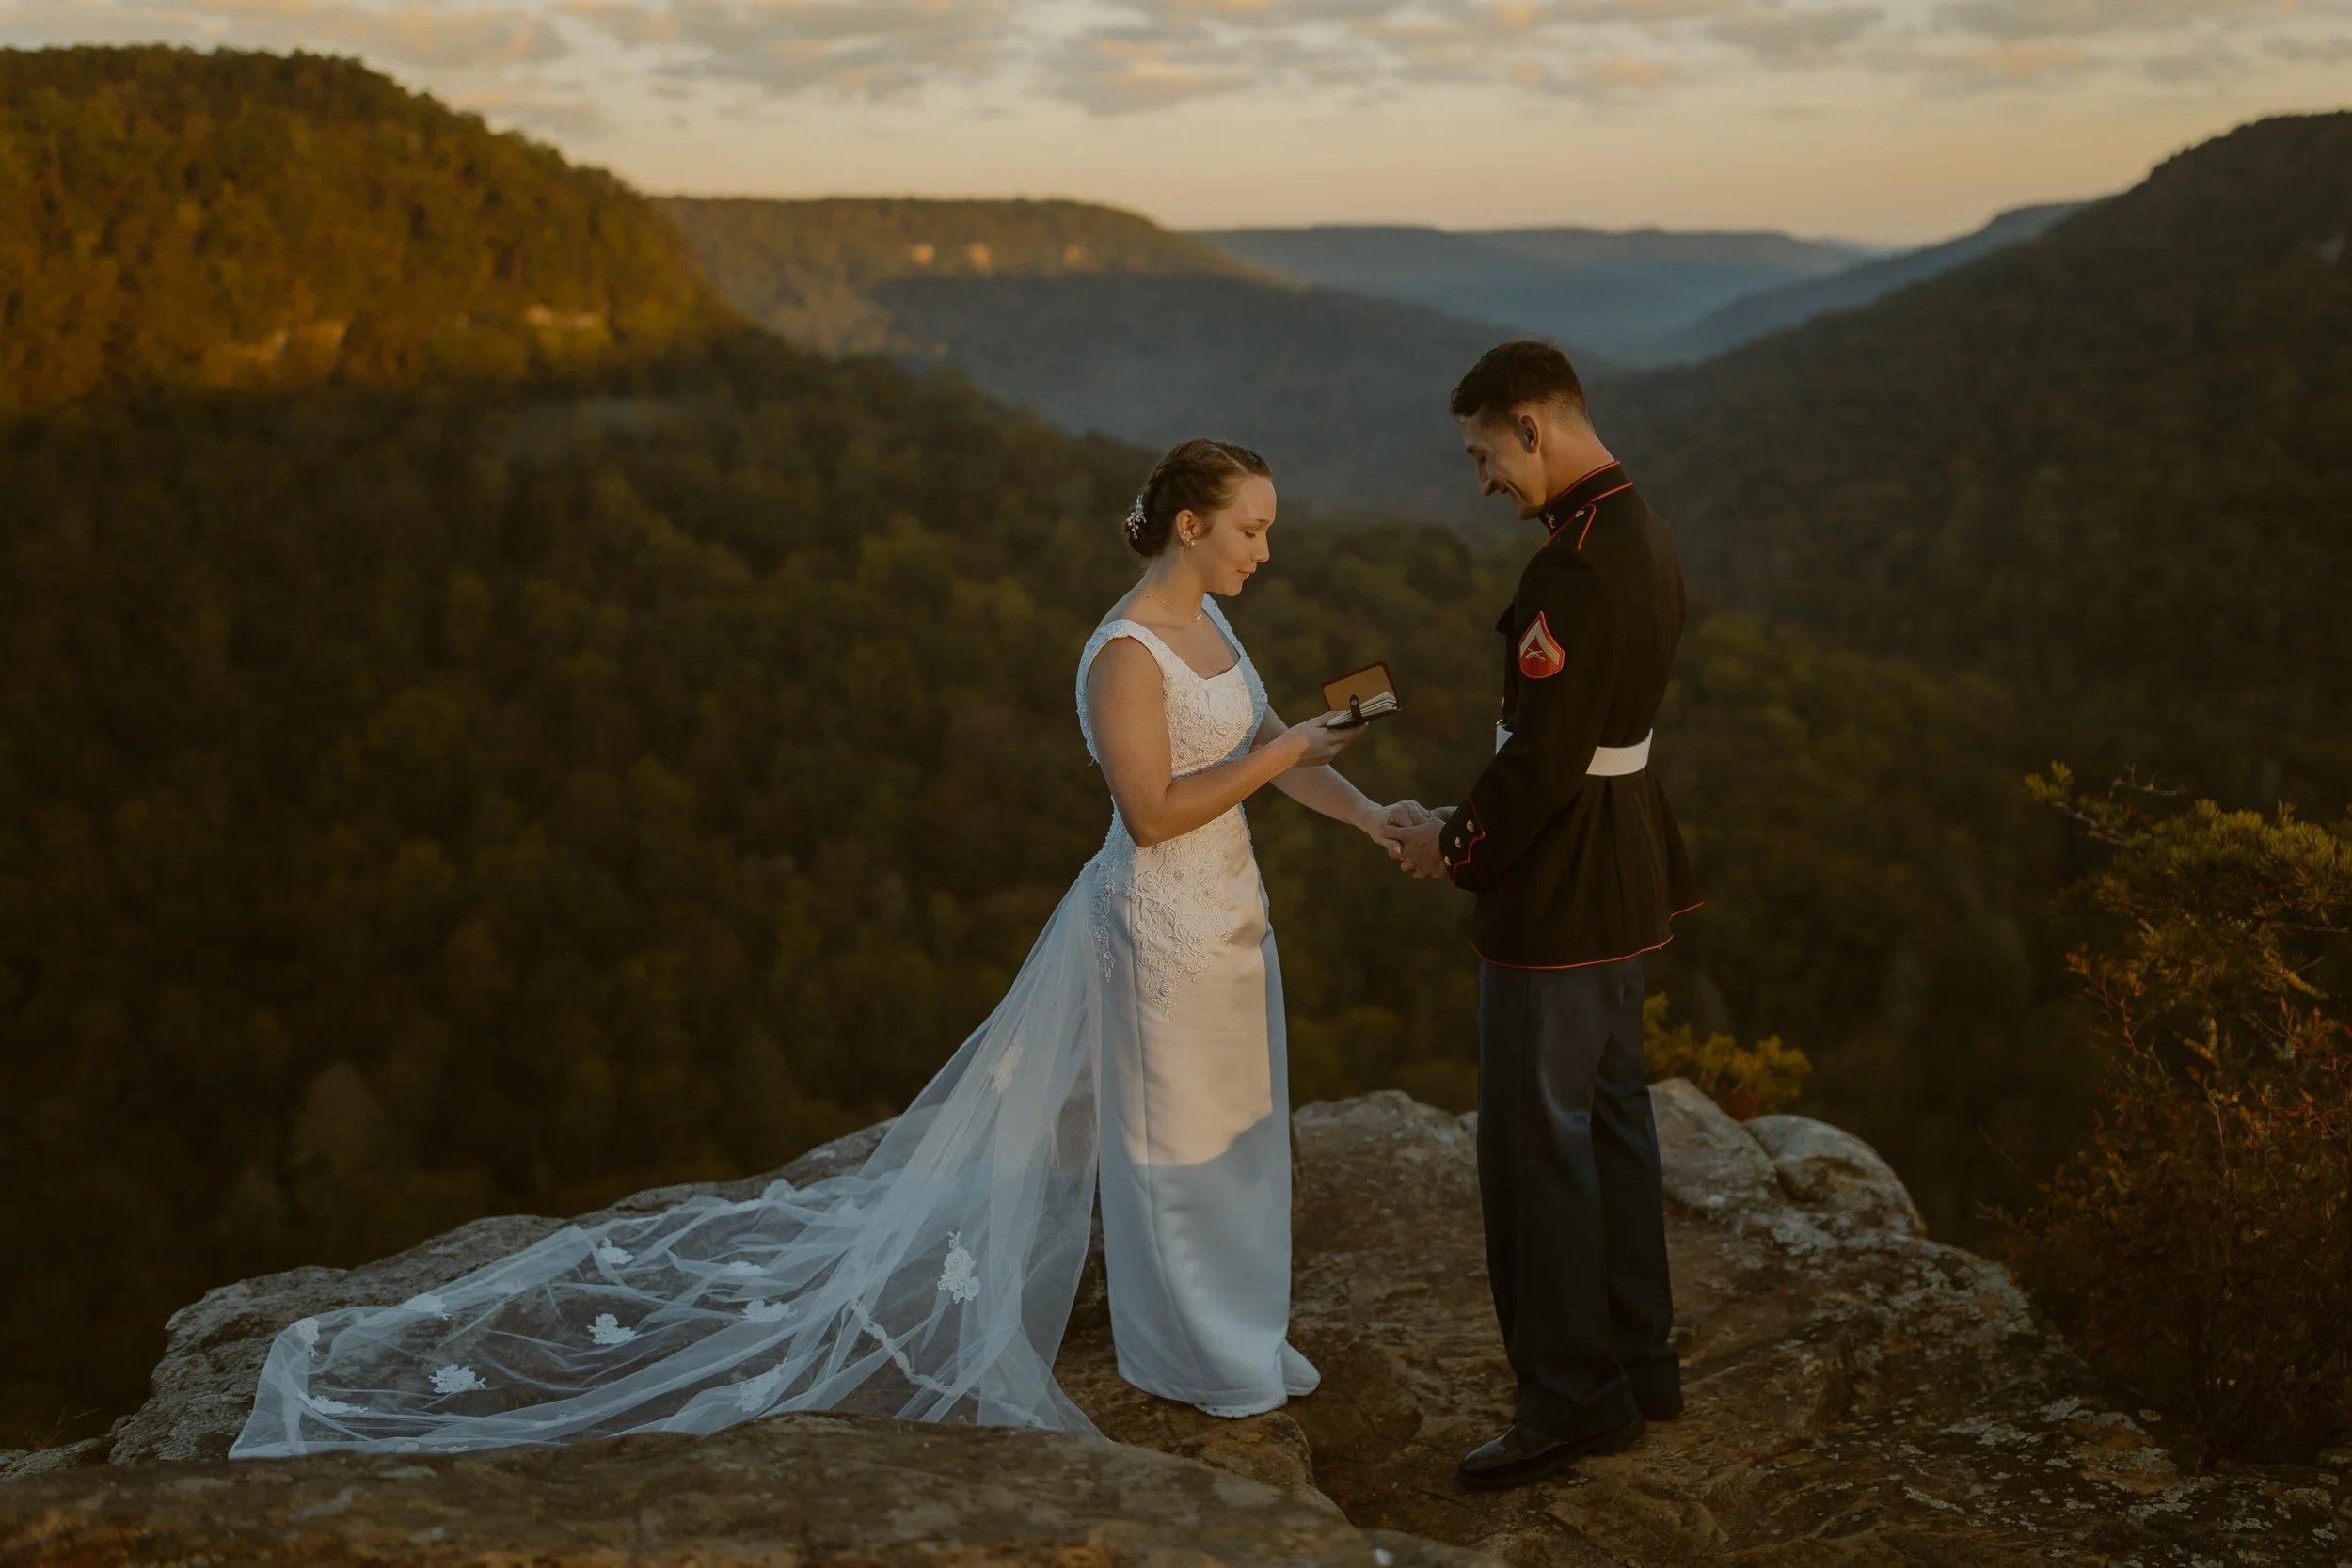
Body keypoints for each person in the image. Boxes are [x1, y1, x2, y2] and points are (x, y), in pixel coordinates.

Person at [231, 438, 1416, 1457]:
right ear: (1192, 525)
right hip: (1156, 924)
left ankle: (1247, 1332)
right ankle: (1198, 1355)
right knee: (1166, 1144)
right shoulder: (1122, 654)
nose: (1267, 549)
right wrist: (1283, 752)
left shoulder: (1210, 620)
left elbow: (1259, 741)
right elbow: (1157, 808)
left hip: (1229, 917)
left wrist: (1364, 812)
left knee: (1236, 1129)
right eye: (1253, 529)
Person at [1385, 340, 1701, 1492]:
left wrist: (1447, 842)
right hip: (1622, 865)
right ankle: (1637, 1359)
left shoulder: (1570, 570)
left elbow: (1540, 763)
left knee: (1535, 1139)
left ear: (1531, 425)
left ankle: (1570, 1399)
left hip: (1560, 883)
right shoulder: (1641, 529)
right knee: (1611, 1117)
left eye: (1483, 454)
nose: (1481, 481)